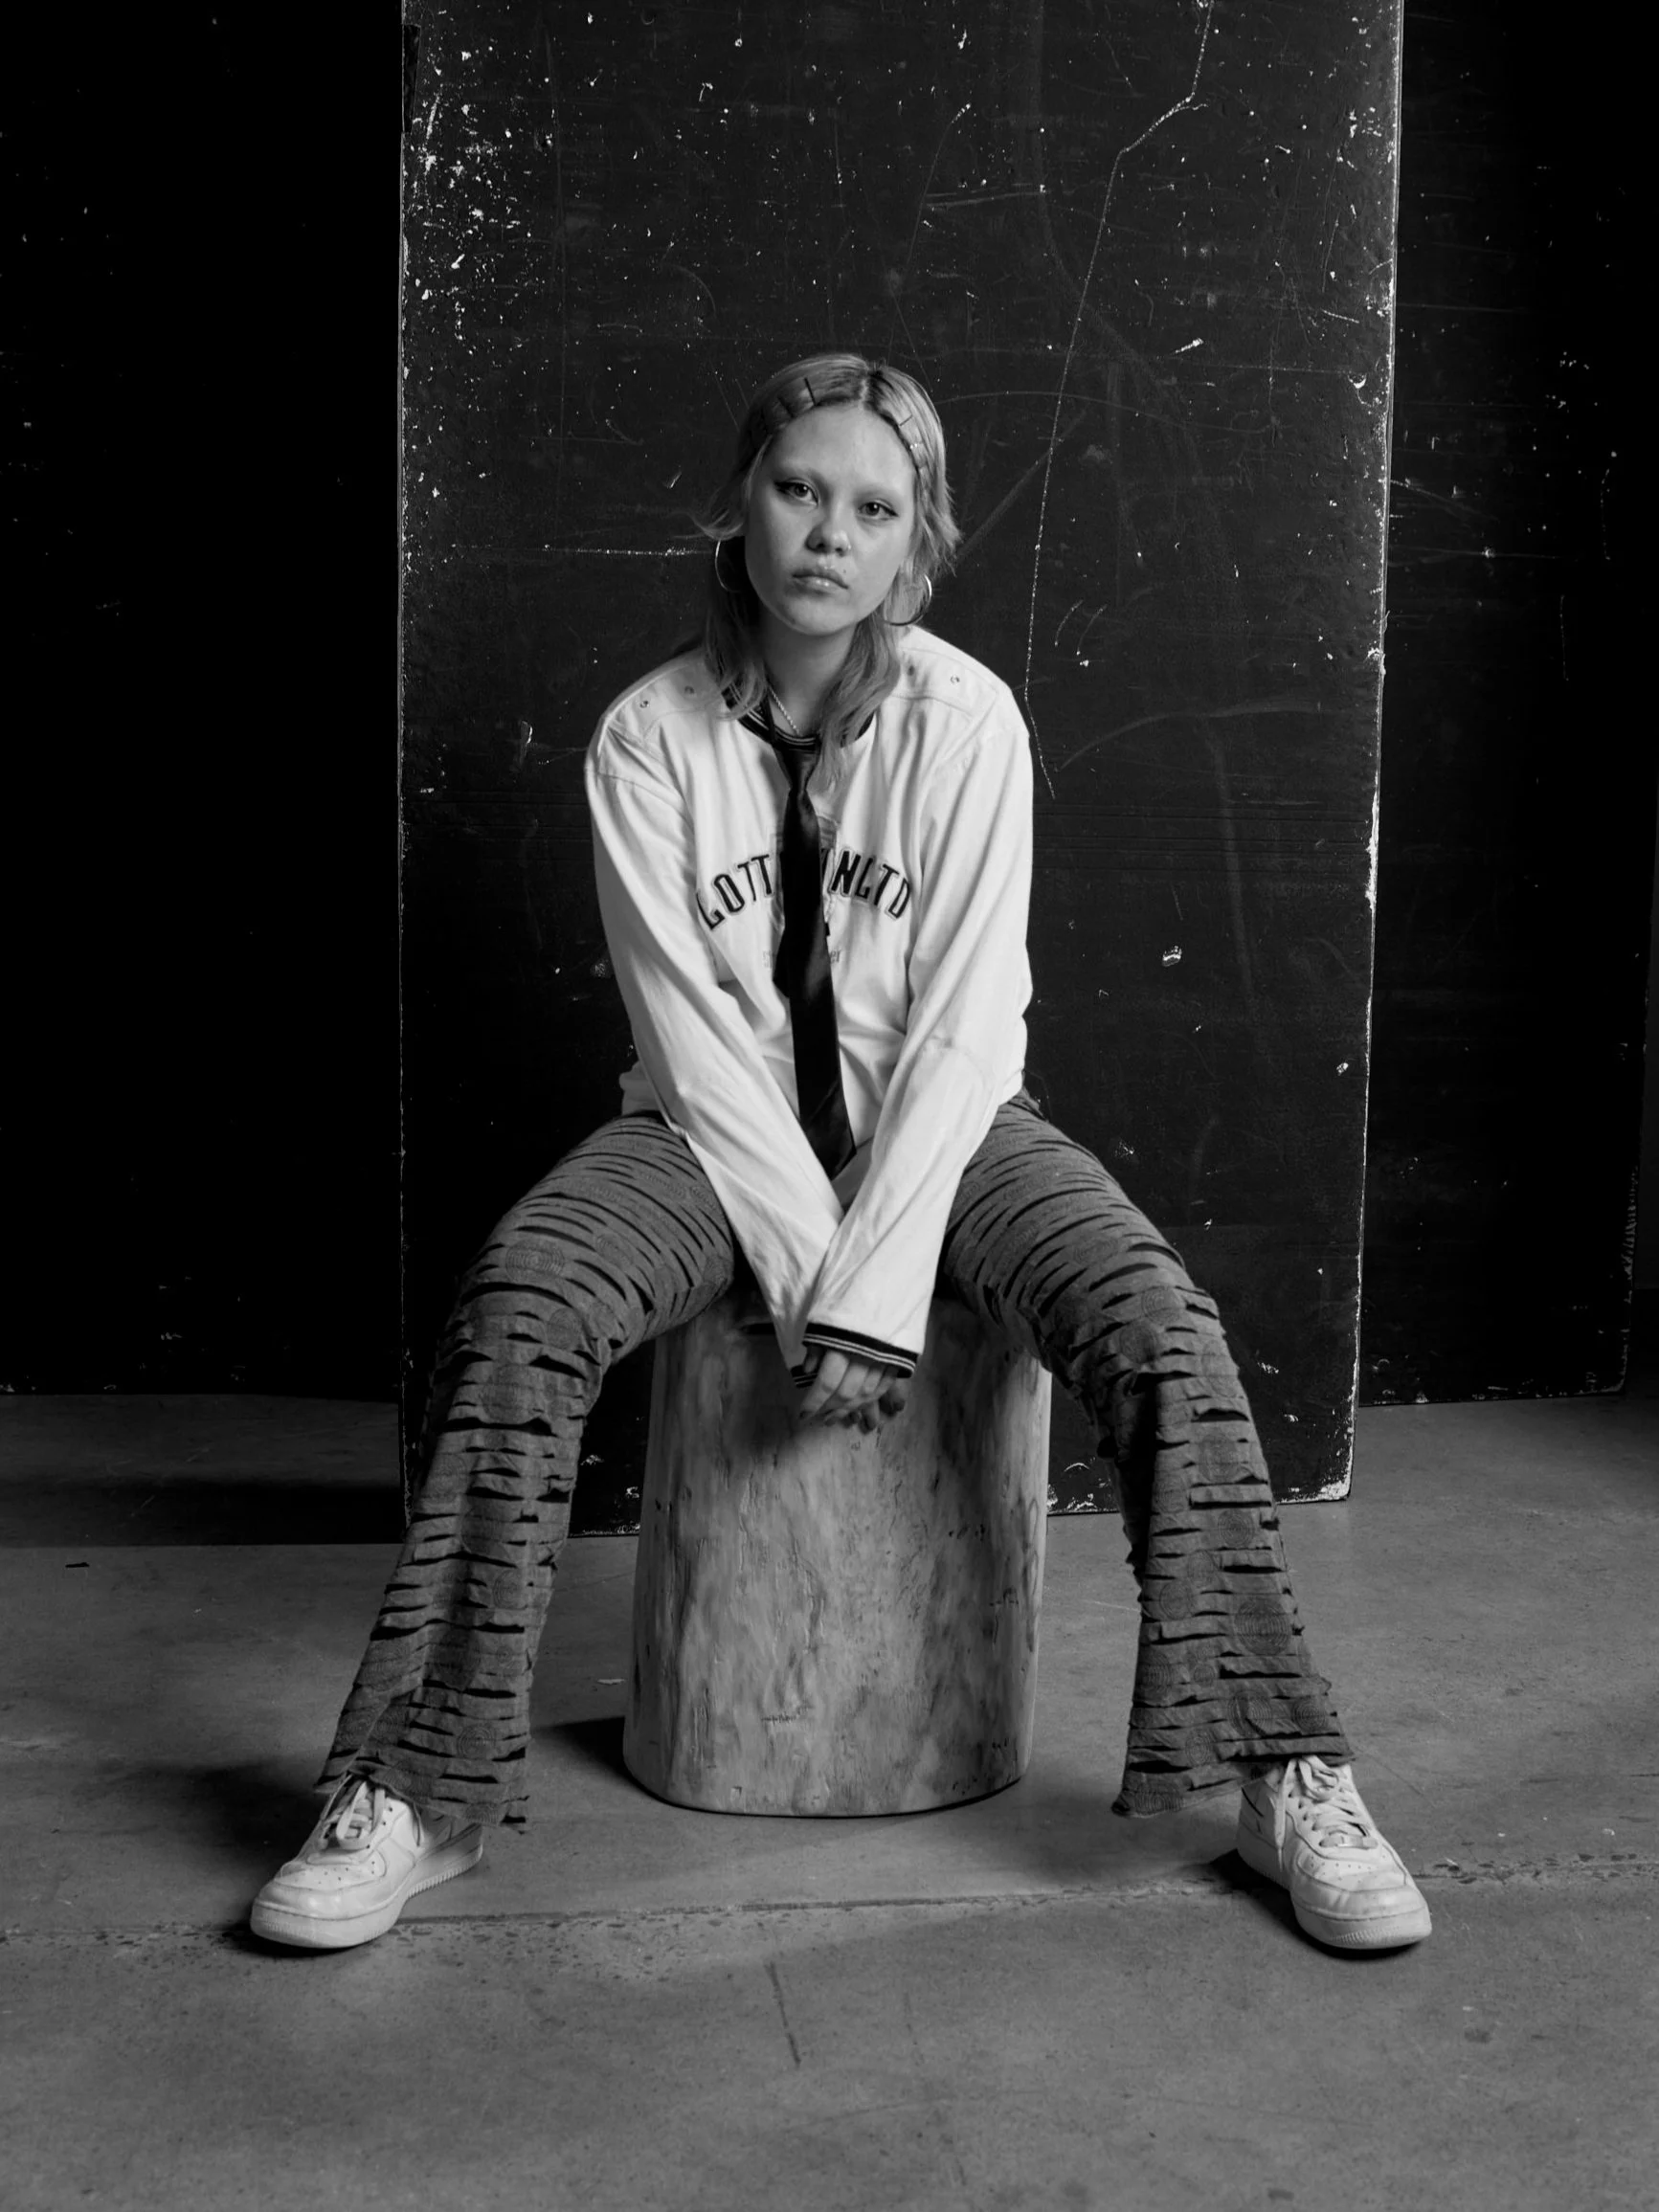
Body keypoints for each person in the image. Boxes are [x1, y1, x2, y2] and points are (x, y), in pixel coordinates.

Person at [250, 353, 1431, 1956]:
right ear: (739, 504)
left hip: (950, 1136)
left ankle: (1281, 1766)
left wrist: (878, 1276)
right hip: (700, 1143)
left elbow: (967, 1028)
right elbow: (691, 1043)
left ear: (913, 545)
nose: (828, 534)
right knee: (519, 1302)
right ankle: (416, 1783)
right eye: (800, 489)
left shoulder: (969, 722)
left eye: (873, 509)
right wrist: (825, 1279)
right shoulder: (645, 739)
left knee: (1161, 1322)